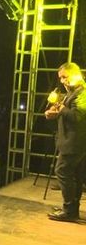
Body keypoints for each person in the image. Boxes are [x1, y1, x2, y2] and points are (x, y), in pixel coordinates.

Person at [45, 62, 86, 222]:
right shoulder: (75, 92)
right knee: (74, 176)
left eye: (64, 77)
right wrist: (55, 113)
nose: (62, 81)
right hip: (73, 141)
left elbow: (78, 117)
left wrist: (61, 110)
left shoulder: (82, 93)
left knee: (62, 172)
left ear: (74, 74)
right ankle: (71, 209)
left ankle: (69, 210)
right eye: (61, 78)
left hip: (74, 142)